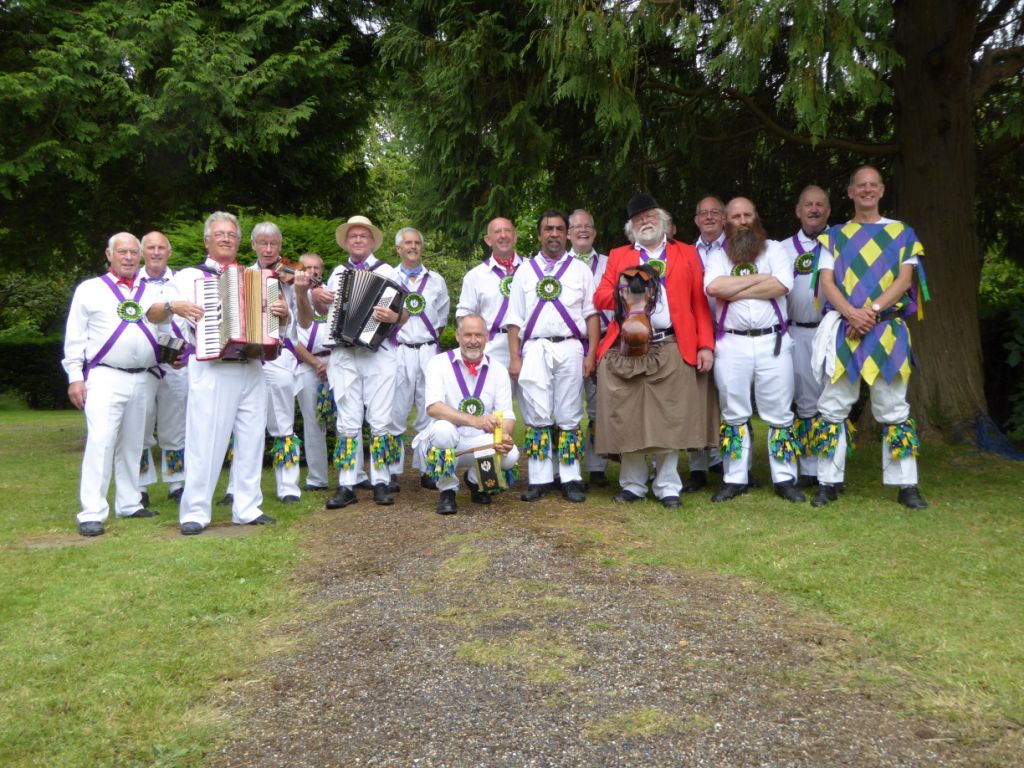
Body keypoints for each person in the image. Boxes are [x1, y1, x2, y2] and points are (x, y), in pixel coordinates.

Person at [144, 211, 290, 534]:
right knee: (204, 439)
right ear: (207, 240)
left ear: (239, 242)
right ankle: (195, 511)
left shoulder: (257, 278)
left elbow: (278, 326)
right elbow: (152, 313)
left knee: (252, 439)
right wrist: (175, 306)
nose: (226, 239)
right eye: (219, 234)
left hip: (251, 365)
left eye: (231, 235)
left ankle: (248, 508)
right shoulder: (187, 277)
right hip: (210, 367)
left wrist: (283, 312)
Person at [810, 166, 931, 509]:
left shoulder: (902, 233)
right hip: (845, 327)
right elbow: (827, 282)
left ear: (881, 191)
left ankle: (906, 484)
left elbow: (904, 281)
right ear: (849, 192)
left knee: (893, 406)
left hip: (886, 330)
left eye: (872, 185)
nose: (866, 190)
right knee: (833, 406)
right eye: (860, 186)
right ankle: (828, 482)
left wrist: (870, 311)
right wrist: (852, 313)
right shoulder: (833, 235)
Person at [593, 193, 717, 508]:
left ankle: (667, 486)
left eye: (649, 216)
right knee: (629, 418)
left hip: (673, 344)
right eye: (638, 219)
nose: (644, 221)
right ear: (630, 228)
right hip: (630, 348)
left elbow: (699, 304)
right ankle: (633, 485)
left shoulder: (687, 253)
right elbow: (600, 298)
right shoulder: (620, 255)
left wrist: (705, 345)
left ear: (662, 221)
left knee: (670, 418)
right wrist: (627, 290)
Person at [705, 197, 804, 503]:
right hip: (731, 342)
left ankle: (785, 478)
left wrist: (738, 284)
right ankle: (735, 478)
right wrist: (762, 278)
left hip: (772, 340)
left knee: (779, 412)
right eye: (736, 216)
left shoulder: (774, 249)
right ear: (726, 221)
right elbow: (714, 288)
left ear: (756, 216)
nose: (743, 220)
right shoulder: (718, 255)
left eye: (748, 214)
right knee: (733, 411)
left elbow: (782, 285)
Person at [63, 232, 163, 536]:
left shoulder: (151, 293)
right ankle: (92, 511)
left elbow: (165, 331)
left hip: (145, 376)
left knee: (134, 443)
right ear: (109, 255)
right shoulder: (90, 290)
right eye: (122, 252)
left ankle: (129, 502)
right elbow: (75, 338)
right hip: (105, 375)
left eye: (134, 252)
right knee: (101, 441)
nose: (129, 257)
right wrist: (75, 377)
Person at [303, 215, 405, 509]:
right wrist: (316, 294)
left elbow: (404, 312)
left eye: (363, 236)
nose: (358, 240)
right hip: (344, 352)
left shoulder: (388, 271)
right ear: (347, 242)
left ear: (372, 241)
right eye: (353, 236)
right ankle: (347, 483)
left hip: (379, 352)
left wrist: (394, 317)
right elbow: (324, 310)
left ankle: (381, 481)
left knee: (380, 419)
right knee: (347, 420)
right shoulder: (337, 272)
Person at [506, 209, 600, 503]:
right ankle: (539, 478)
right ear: (539, 235)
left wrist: (592, 353)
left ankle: (571, 477)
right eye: (549, 229)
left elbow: (591, 314)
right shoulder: (524, 270)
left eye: (560, 229)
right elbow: (515, 318)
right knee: (536, 412)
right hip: (534, 347)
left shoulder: (580, 270)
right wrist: (515, 357)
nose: (555, 234)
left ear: (567, 234)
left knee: (570, 411)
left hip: (571, 346)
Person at [412, 314, 519, 514]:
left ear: (487, 337)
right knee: (443, 429)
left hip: (479, 442)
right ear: (458, 336)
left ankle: (475, 481)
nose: (473, 341)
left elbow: (507, 414)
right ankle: (447, 491)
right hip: (443, 442)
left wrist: (504, 436)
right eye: (468, 335)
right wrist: (475, 421)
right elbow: (434, 407)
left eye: (478, 335)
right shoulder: (438, 363)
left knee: (510, 455)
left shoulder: (498, 370)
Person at [387, 227, 450, 487]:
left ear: (422, 248)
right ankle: (390, 471)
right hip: (398, 349)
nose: (413, 246)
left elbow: (443, 317)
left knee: (429, 409)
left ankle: (426, 469)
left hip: (427, 350)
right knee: (394, 410)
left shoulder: (436, 280)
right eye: (407, 243)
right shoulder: (388, 277)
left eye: (417, 243)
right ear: (398, 249)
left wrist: (428, 341)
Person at [781, 186, 831, 487]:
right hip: (796, 331)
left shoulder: (839, 244)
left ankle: (830, 469)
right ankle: (809, 469)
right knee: (805, 402)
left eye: (820, 205)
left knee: (833, 401)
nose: (814, 210)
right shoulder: (781, 248)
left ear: (828, 210)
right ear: (798, 211)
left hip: (832, 330)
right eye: (808, 205)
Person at [137, 231, 188, 504]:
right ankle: (140, 486)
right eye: (151, 248)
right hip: (143, 363)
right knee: (141, 424)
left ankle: (176, 483)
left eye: (161, 248)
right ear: (143, 252)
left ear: (169, 252)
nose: (156, 252)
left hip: (176, 363)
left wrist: (186, 352)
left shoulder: (181, 282)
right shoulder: (131, 284)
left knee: (174, 425)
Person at [685, 195, 729, 491]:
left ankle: (734, 465)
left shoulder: (738, 249)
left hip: (731, 333)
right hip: (696, 336)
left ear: (724, 218)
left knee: (730, 402)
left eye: (715, 212)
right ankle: (697, 468)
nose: (710, 217)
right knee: (695, 403)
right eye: (704, 213)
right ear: (696, 220)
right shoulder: (685, 253)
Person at [567, 208, 610, 489]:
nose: (583, 230)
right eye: (576, 227)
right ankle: (566, 469)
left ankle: (597, 467)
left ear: (594, 232)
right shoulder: (557, 266)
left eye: (588, 226)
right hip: (570, 342)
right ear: (568, 233)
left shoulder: (610, 262)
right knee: (566, 407)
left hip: (605, 340)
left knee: (598, 407)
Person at [455, 217, 522, 369]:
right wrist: (473, 342)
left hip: (528, 345)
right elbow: (464, 314)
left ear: (515, 236)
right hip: (492, 346)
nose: (503, 235)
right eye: (497, 232)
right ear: (488, 240)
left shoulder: (531, 270)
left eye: (508, 231)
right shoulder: (475, 276)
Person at [292, 253, 332, 492]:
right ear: (300, 270)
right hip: (306, 366)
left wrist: (330, 362)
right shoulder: (292, 295)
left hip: (335, 363)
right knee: (313, 422)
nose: (313, 272)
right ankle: (317, 478)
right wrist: (315, 363)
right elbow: (289, 338)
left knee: (347, 421)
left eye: (317, 267)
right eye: (307, 268)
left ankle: (354, 474)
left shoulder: (332, 294)